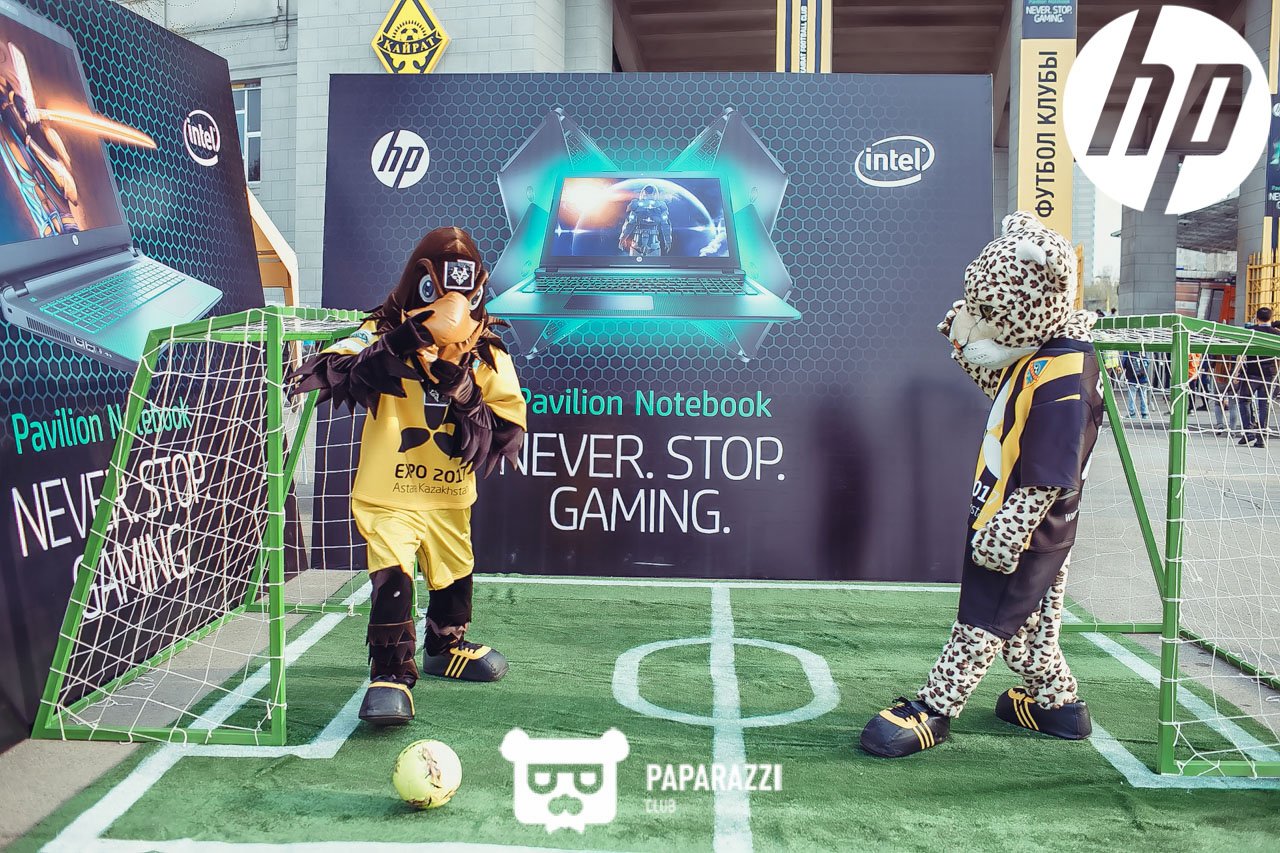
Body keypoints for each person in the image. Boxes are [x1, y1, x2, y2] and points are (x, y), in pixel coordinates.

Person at [289, 226, 527, 726]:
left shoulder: (486, 351)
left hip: (448, 493)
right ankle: (391, 674)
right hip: (390, 489)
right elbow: (333, 369)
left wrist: (464, 391)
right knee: (394, 576)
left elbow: (509, 430)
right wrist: (395, 345)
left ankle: (445, 647)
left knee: (454, 572)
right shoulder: (379, 329)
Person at [1238, 307, 1280, 448]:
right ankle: (1261, 438)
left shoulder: (1250, 332)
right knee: (1264, 405)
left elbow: (1241, 351)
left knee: (1244, 400)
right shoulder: (1276, 334)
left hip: (1252, 372)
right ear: (1271, 318)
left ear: (1256, 318)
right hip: (1270, 373)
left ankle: (1248, 430)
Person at [1121, 350, 1150, 418]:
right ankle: (1145, 413)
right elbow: (1148, 362)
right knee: (1143, 395)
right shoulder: (1143, 349)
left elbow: (1123, 363)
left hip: (1131, 378)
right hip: (1143, 378)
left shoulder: (1127, 350)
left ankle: (1132, 413)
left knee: (1132, 395)